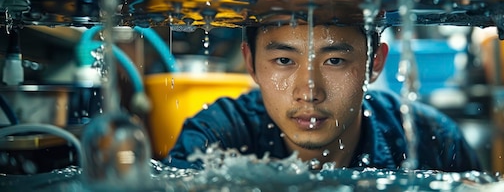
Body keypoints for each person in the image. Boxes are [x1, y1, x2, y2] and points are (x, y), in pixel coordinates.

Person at [162, 22, 482, 172]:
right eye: (285, 61)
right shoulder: (217, 140)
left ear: (374, 63)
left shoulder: (431, 141)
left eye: (335, 61)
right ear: (251, 63)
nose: (309, 93)